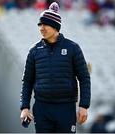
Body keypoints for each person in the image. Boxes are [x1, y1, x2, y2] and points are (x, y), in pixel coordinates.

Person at [20, 2, 91, 133]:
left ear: (55, 27)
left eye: (45, 24)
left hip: (66, 108)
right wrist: (24, 107)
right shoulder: (34, 51)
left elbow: (84, 78)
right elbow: (27, 81)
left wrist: (83, 106)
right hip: (42, 108)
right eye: (40, 25)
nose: (41, 28)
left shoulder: (73, 48)